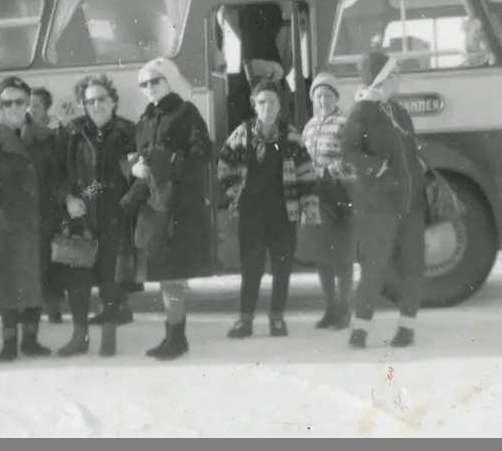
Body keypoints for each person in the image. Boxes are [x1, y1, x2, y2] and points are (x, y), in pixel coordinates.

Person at [121, 57, 213, 361]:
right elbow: (137, 157)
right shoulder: (144, 120)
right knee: (163, 273)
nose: (149, 88)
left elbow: (203, 153)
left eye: (155, 81)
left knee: (171, 273)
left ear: (169, 81)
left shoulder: (186, 112)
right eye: (144, 83)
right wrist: (134, 167)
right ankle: (174, 337)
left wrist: (167, 161)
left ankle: (176, 338)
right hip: (154, 204)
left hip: (178, 206)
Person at [340, 51, 428, 350]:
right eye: (396, 73)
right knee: (374, 268)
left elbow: (412, 151)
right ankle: (360, 330)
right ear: (382, 78)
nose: (400, 78)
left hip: (410, 204)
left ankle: (407, 328)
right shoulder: (361, 112)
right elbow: (349, 150)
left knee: (413, 266)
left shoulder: (399, 112)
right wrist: (375, 167)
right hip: (377, 206)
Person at [218, 81, 319, 339]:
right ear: (254, 105)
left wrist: (308, 206)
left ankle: (277, 319)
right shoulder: (242, 133)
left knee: (282, 267)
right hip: (251, 213)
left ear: (279, 106)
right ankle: (245, 320)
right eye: (262, 102)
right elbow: (224, 165)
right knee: (251, 267)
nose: (267, 107)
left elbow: (306, 172)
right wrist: (234, 192)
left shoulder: (291, 135)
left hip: (283, 212)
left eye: (272, 102)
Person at [0, 76, 60, 363]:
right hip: (6, 224)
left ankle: (31, 340)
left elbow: (58, 178)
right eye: (7, 102)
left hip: (38, 221)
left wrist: (61, 203)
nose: (14, 107)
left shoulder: (46, 137)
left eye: (20, 101)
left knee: (36, 280)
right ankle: (9, 341)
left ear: (28, 103)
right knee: (8, 283)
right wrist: (2, 205)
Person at [60, 73, 138, 357]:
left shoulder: (129, 132)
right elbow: (59, 173)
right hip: (80, 217)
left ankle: (109, 337)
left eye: (101, 98)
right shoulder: (72, 132)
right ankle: (79, 337)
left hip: (115, 216)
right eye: (89, 100)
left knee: (111, 279)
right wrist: (68, 199)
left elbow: (130, 176)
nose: (96, 105)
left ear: (113, 100)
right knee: (77, 280)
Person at [298, 73, 356, 330]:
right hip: (314, 195)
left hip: (339, 193)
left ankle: (344, 311)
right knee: (321, 255)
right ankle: (329, 309)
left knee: (342, 255)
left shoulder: (345, 123)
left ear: (336, 98)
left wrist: (328, 171)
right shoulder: (309, 126)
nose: (323, 100)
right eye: (319, 96)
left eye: (328, 95)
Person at [28, 86, 67, 324]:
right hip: (31, 205)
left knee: (54, 258)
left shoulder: (60, 132)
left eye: (37, 105)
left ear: (46, 108)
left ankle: (53, 307)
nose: (32, 110)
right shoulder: (22, 132)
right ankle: (36, 306)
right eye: (29, 105)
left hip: (53, 205)